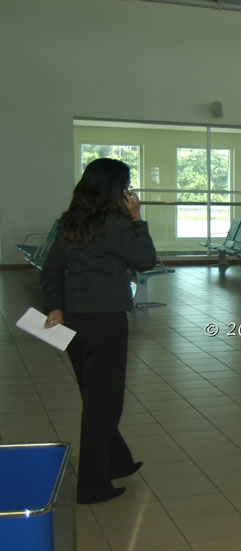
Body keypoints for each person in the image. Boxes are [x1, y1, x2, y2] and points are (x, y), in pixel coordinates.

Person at [41, 158, 158, 504]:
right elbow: (145, 260)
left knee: (95, 396)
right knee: (104, 404)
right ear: (113, 190)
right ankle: (92, 484)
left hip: (74, 322)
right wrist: (137, 219)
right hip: (106, 321)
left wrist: (55, 306)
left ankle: (117, 459)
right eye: (124, 187)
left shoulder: (69, 224)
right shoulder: (116, 225)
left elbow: (51, 271)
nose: (127, 193)